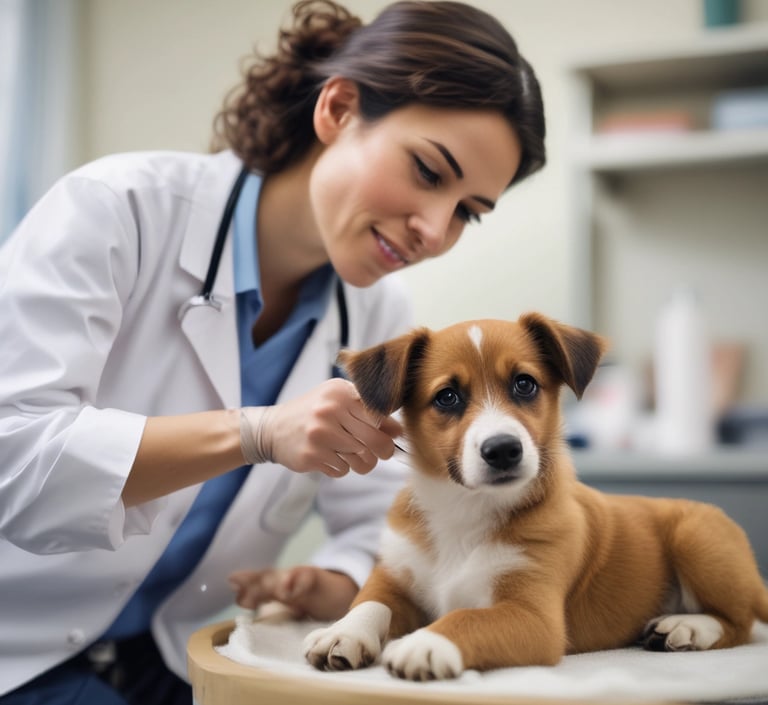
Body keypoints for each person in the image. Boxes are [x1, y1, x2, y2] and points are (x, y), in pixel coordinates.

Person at [0, 0, 545, 702]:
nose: (433, 232)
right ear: (340, 108)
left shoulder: (377, 314)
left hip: (173, 656)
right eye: (428, 172)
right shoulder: (118, 210)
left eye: (468, 211)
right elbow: (12, 456)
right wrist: (257, 431)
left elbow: (382, 519)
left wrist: (335, 581)